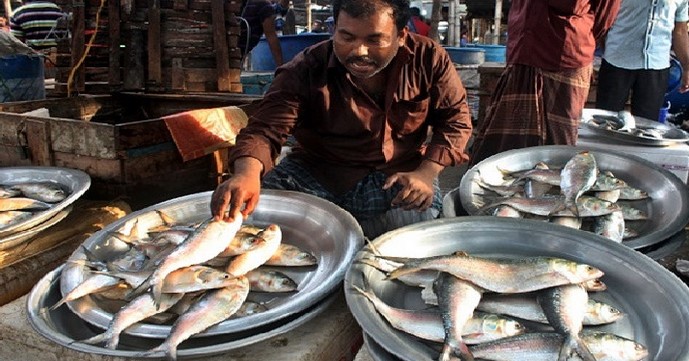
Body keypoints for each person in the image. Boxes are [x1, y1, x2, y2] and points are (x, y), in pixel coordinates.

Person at [211, 0, 473, 239]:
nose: (359, 51)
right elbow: (265, 129)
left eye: (375, 40)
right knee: (257, 222)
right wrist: (246, 174)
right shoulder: (306, 68)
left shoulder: (429, 58)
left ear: (401, 36)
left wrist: (427, 173)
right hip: (320, 173)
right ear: (334, 29)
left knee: (420, 237)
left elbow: (456, 121)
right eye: (346, 36)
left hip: (400, 174)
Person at [469, 0, 621, 166]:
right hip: (522, 50)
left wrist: (578, 31)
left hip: (565, 54)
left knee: (559, 143)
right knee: (504, 144)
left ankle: (557, 186)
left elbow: (605, 14)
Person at [595, 0, 689, 121]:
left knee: (647, 127)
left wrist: (687, 67)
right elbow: (604, 19)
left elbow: (680, 30)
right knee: (605, 121)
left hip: (656, 66)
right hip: (616, 62)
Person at [239, 0, 290, 67]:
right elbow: (271, 37)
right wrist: (281, 67)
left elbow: (281, 8)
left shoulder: (267, 7)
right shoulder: (263, 6)